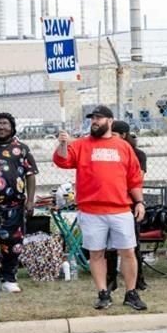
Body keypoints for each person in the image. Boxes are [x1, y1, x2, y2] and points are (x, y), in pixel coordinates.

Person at [53, 105, 147, 311]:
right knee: (96, 254)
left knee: (128, 252)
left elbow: (134, 178)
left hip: (121, 209)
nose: (94, 121)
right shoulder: (81, 144)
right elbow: (63, 161)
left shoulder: (123, 147)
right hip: (91, 210)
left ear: (110, 121)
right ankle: (103, 293)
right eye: (92, 118)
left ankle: (131, 293)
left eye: (99, 118)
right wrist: (62, 144)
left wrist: (139, 202)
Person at [0, 112, 38, 294]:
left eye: (5, 124)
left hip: (14, 207)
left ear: (12, 127)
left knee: (12, 244)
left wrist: (30, 201)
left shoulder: (22, 149)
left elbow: (30, 176)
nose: (2, 127)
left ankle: (9, 279)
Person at [105, 120, 147, 292]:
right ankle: (111, 280)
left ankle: (139, 281)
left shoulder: (138, 154)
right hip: (111, 202)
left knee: (132, 244)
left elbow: (138, 178)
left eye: (113, 135)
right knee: (109, 246)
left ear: (122, 135)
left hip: (129, 203)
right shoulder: (109, 151)